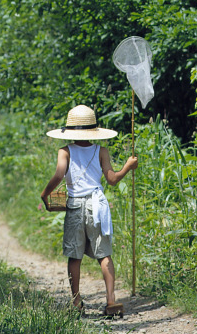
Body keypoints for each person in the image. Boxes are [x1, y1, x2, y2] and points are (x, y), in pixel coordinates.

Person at [40, 104, 138, 316]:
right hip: (97, 205)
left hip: (75, 205)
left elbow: (58, 176)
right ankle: (111, 302)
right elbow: (112, 180)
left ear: (70, 130)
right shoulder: (101, 151)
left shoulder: (64, 151)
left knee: (75, 256)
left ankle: (76, 302)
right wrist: (128, 167)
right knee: (104, 254)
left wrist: (45, 194)